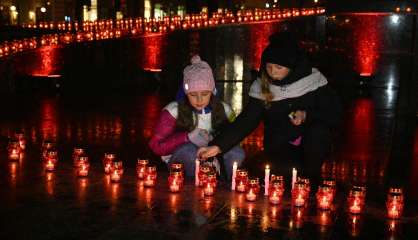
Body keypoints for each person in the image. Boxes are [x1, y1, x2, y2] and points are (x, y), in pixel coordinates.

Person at [197, 31, 342, 182]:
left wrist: (306, 115)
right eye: (269, 66)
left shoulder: (314, 83)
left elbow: (334, 114)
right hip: (279, 149)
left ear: (292, 66)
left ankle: (311, 182)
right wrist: (217, 146)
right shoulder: (263, 86)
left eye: (278, 68)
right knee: (259, 173)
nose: (272, 73)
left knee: (317, 134)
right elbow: (246, 121)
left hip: (312, 148)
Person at [149, 55, 245, 179]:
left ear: (212, 91)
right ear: (186, 92)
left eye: (205, 94)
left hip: (214, 159)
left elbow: (236, 137)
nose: (199, 100)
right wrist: (186, 137)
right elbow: (156, 146)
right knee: (189, 152)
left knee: (237, 152)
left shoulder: (225, 109)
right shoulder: (173, 111)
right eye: (193, 95)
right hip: (183, 160)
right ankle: (189, 189)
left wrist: (216, 140)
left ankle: (226, 185)